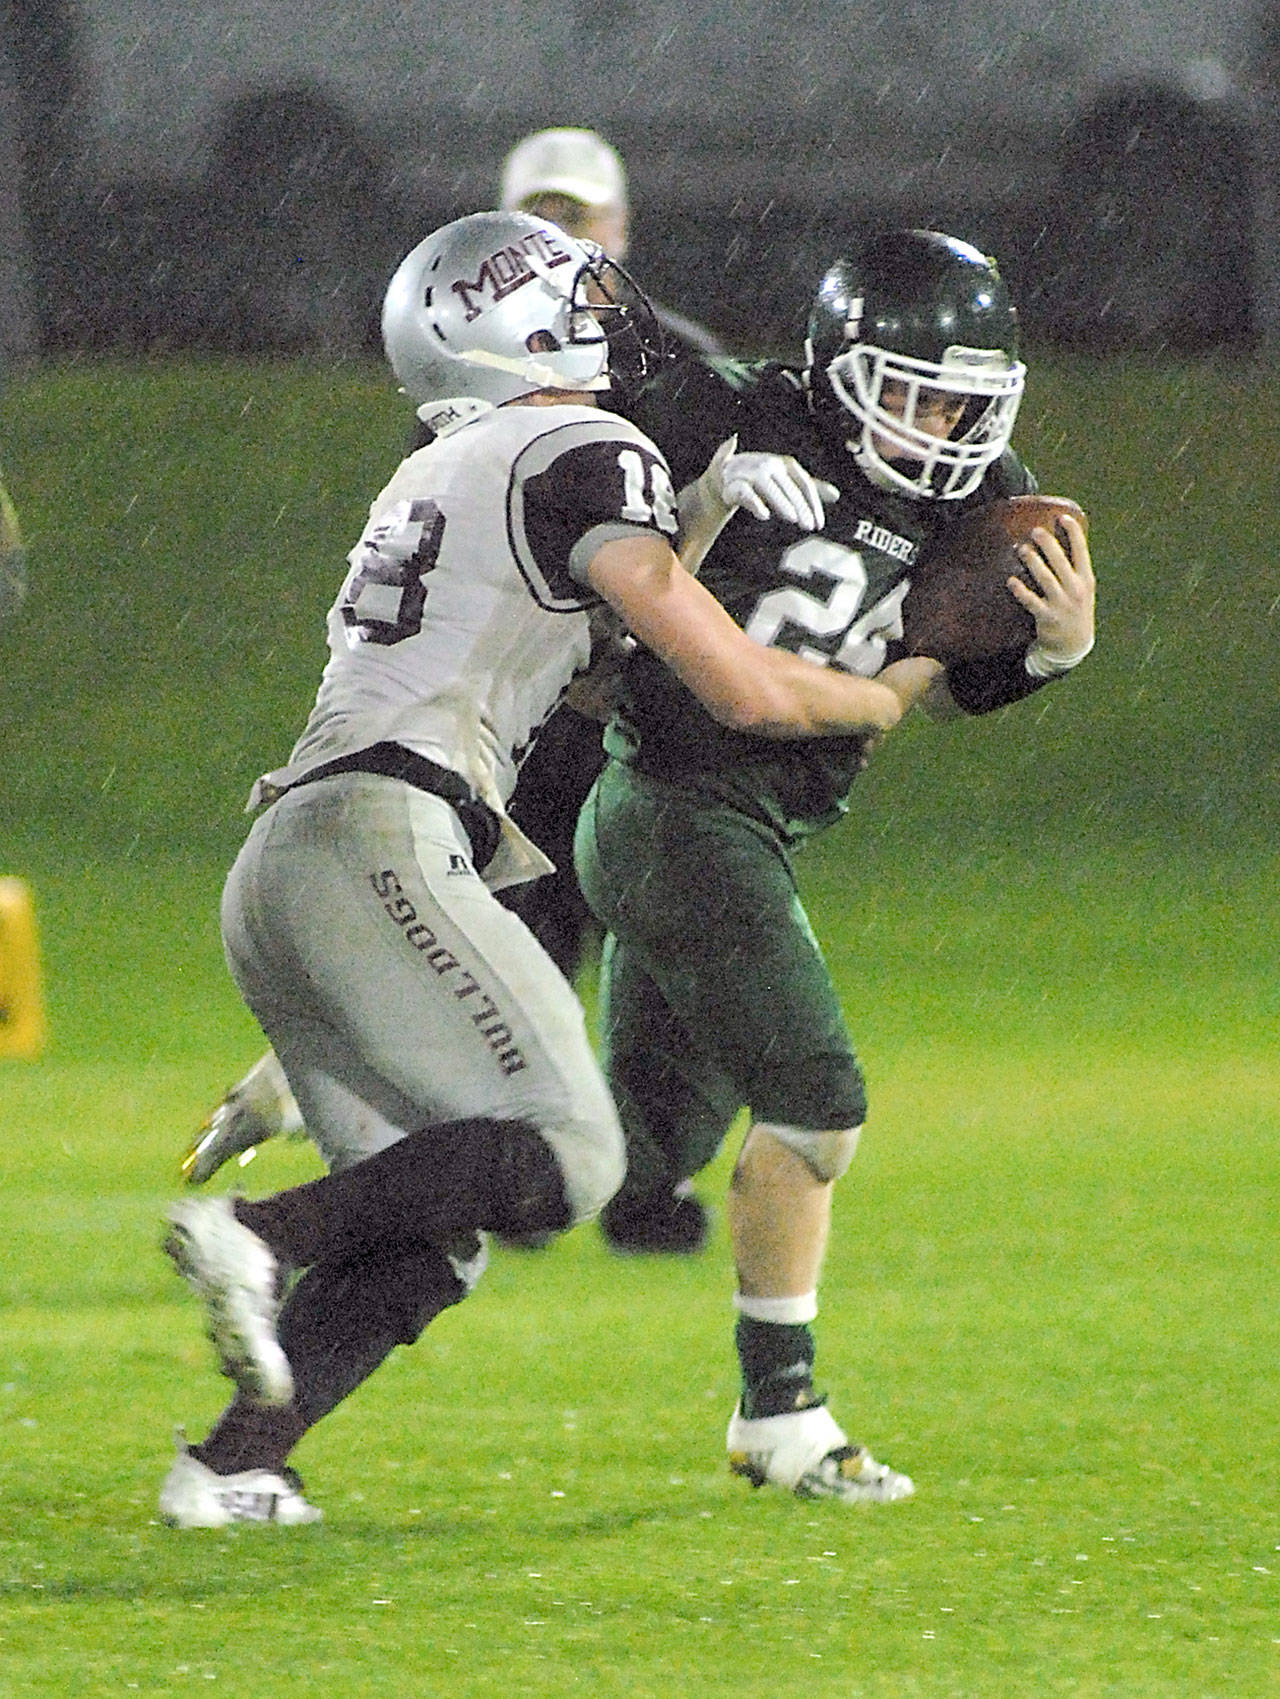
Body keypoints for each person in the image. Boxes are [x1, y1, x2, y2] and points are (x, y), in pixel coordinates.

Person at [158, 208, 920, 1528]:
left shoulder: (447, 463)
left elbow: (591, 663)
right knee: (572, 1152)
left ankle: (230, 1467)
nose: (606, 323)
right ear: (510, 334)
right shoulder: (582, 445)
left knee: (430, 1235)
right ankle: (258, 1235)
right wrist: (893, 693)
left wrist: (703, 506)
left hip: (295, 860)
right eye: (577, 303)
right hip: (384, 835)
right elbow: (733, 684)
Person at [573, 228, 1097, 1504]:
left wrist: (1048, 654)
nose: (941, 428)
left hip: (740, 828)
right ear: (838, 368)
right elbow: (570, 502)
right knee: (816, 1107)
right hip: (677, 804)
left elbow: (956, 671)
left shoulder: (984, 495)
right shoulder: (736, 412)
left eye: (964, 403)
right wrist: (693, 493)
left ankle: (337, 1194)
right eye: (916, 394)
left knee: (619, 1154)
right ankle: (782, 1415)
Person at [186, 125, 725, 1254]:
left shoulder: (651, 366)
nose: (564, 236)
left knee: (638, 940)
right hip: (522, 714)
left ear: (619, 228)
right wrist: (836, 693)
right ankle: (520, 1165)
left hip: (471, 726)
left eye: (578, 217)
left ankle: (590, 1173)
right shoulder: (519, 385)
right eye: (543, 215)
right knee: (530, 935)